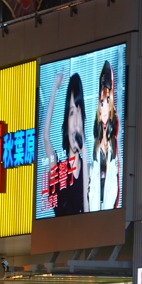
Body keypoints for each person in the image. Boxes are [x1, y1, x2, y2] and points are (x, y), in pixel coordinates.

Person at [43, 71, 89, 216]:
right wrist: (54, 88)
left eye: (79, 112)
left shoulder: (88, 168)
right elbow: (45, 136)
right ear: (66, 123)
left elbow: (89, 215)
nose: (76, 120)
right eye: (71, 112)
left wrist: (85, 153)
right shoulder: (59, 170)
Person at [91, 61, 121, 212]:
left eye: (107, 101)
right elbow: (92, 182)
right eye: (102, 102)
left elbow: (115, 176)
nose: (104, 107)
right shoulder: (95, 142)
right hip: (94, 207)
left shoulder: (114, 142)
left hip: (109, 206)